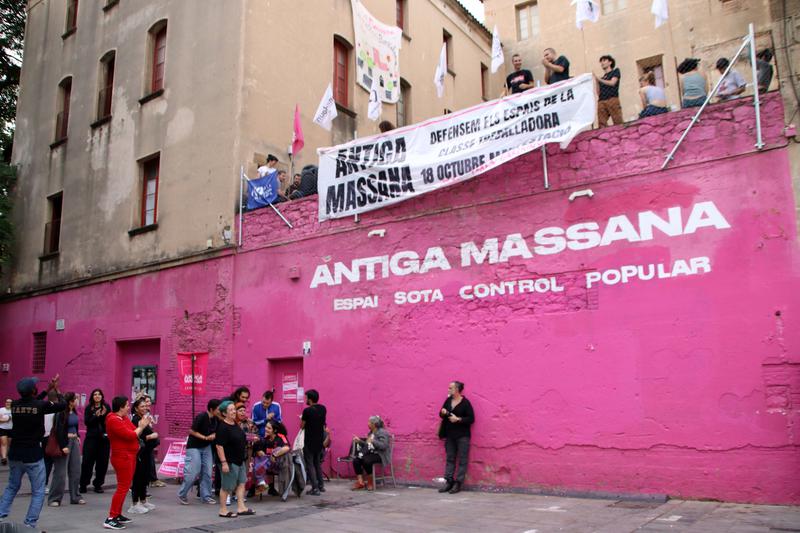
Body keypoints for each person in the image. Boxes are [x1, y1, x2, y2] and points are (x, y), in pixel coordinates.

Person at [0, 375, 66, 529]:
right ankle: (30, 524)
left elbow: (35, 403)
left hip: (15, 453)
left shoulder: (15, 405)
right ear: (33, 390)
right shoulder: (40, 406)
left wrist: (47, 390)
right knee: (37, 491)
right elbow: (62, 405)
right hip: (33, 454)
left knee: (12, 486)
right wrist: (56, 389)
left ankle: (1, 514)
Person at [104, 396, 150, 530]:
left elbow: (133, 430)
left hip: (129, 456)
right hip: (122, 457)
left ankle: (117, 514)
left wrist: (140, 426)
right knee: (122, 487)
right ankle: (111, 518)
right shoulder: (113, 420)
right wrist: (141, 427)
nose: (128, 407)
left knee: (124, 486)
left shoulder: (122, 418)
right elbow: (131, 435)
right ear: (121, 407)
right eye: (126, 405)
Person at [214, 400, 254, 518]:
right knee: (227, 486)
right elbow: (219, 446)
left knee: (241, 483)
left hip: (239, 460)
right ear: (224, 413)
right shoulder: (222, 427)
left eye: (233, 409)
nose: (233, 412)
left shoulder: (235, 424)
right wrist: (224, 463)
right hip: (229, 461)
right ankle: (223, 510)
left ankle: (241, 508)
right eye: (230, 410)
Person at [177, 399, 219, 505]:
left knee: (208, 472)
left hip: (206, 447)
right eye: (218, 409)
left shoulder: (215, 419)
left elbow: (215, 432)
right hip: (194, 446)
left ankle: (206, 496)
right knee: (193, 471)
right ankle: (182, 494)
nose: (220, 411)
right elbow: (191, 431)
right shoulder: (202, 416)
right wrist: (205, 437)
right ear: (211, 409)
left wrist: (213, 435)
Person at [437, 381, 475, 495]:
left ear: (457, 389)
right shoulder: (448, 400)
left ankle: (458, 483)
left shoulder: (465, 403)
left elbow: (471, 419)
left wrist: (458, 419)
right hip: (450, 435)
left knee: (462, 460)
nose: (448, 390)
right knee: (450, 459)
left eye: (450, 388)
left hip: (462, 436)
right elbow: (441, 414)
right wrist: (443, 412)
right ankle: (449, 482)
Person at [48, 391, 85, 507]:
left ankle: (75, 496)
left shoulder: (73, 411)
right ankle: (55, 498)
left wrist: (78, 436)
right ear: (71, 401)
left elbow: (75, 426)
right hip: (64, 442)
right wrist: (63, 445)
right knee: (60, 472)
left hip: (74, 441)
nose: (78, 401)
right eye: (76, 399)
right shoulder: (61, 413)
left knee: (76, 470)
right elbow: (58, 430)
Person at [128, 398, 158, 514]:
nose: (145, 408)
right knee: (138, 478)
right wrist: (151, 436)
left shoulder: (143, 418)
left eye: (146, 406)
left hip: (147, 453)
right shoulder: (136, 420)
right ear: (136, 408)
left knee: (145, 477)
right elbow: (136, 436)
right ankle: (135, 504)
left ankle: (143, 500)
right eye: (142, 406)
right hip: (140, 453)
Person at [80, 388, 110, 494]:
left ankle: (98, 484)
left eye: (99, 394)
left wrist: (103, 415)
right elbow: (87, 422)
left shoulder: (106, 407)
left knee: (102, 463)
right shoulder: (89, 408)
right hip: (91, 438)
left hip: (104, 439)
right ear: (92, 397)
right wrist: (96, 416)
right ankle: (83, 484)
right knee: (87, 462)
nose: (97, 396)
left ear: (102, 396)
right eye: (95, 394)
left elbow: (109, 422)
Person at [350, 415, 390, 491]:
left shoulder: (382, 432)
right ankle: (360, 482)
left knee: (366, 460)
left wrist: (373, 441)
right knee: (356, 460)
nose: (367, 423)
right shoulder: (371, 433)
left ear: (373, 424)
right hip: (371, 453)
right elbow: (368, 445)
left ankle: (370, 482)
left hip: (380, 455)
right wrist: (359, 441)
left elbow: (383, 446)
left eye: (369, 422)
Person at [252, 420, 290, 495]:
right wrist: (259, 451)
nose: (266, 429)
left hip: (280, 463)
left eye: (269, 428)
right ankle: (261, 483)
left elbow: (287, 448)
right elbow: (261, 452)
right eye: (266, 427)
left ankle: (261, 482)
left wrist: (274, 455)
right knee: (257, 458)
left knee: (278, 449)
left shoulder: (281, 437)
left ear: (274, 430)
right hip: (268, 464)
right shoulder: (265, 439)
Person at [301, 389, 327, 496]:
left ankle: (314, 488)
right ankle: (321, 485)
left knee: (310, 464)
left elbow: (302, 426)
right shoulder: (323, 409)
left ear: (310, 399)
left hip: (309, 441)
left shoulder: (307, 411)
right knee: (317, 463)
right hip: (319, 440)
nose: (305, 399)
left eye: (306, 397)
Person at [596, 55, 622, 126]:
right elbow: (598, 92)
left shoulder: (615, 71)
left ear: (610, 62)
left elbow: (612, 82)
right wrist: (597, 81)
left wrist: (599, 79)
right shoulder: (602, 78)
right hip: (601, 101)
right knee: (601, 123)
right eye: (601, 61)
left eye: (604, 60)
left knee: (618, 121)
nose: (602, 63)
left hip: (612, 99)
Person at [42, 390, 60, 487]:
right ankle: (53, 485)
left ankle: (43, 484)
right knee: (56, 463)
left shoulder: (43, 408)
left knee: (46, 462)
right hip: (54, 437)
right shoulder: (57, 410)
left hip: (44, 437)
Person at [0, 398, 12, 466]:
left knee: (10, 444)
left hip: (11, 429)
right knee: (3, 443)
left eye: (10, 402)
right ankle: (4, 458)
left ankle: (11, 456)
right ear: (5, 403)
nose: (8, 403)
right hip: (2, 429)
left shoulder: (14, 410)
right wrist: (6, 420)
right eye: (7, 402)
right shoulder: (1, 410)